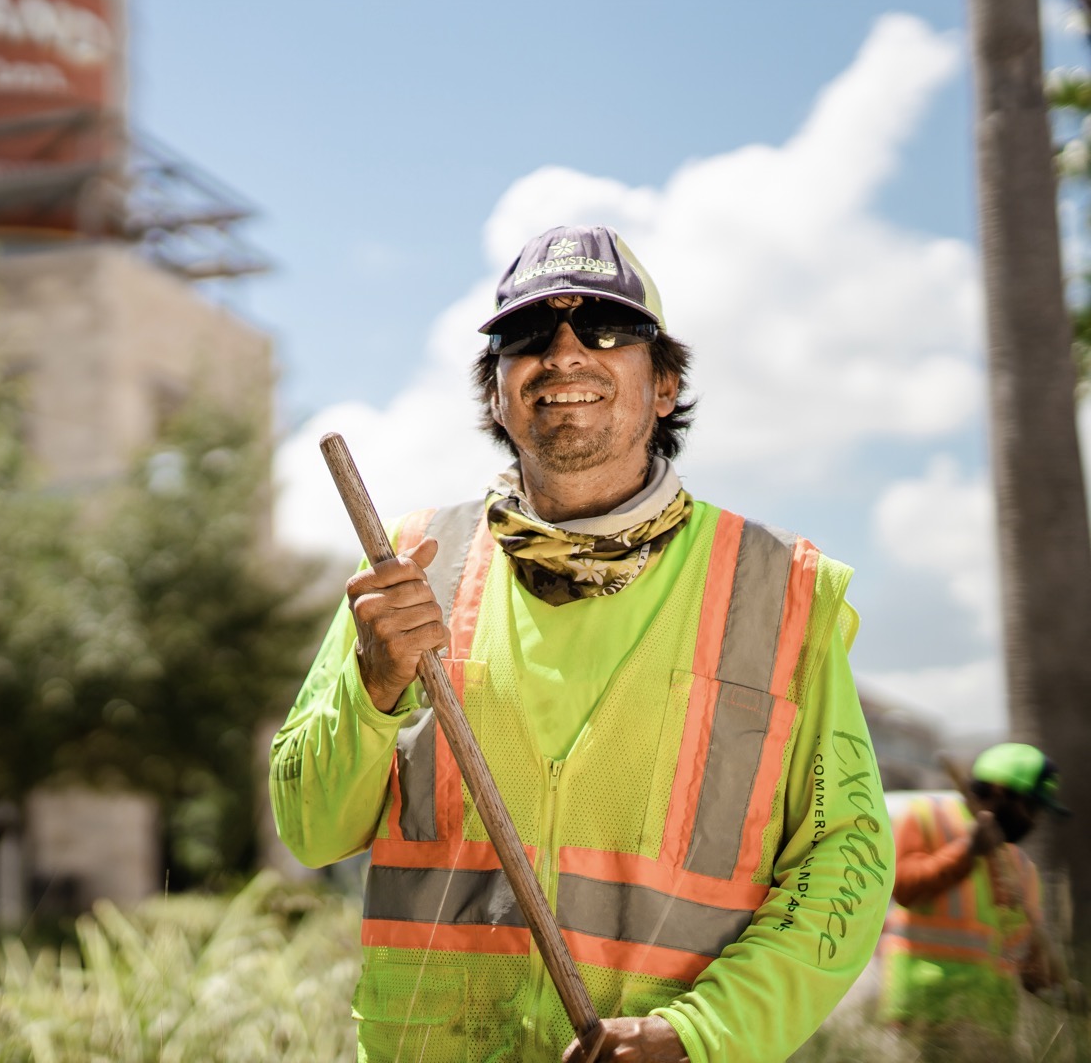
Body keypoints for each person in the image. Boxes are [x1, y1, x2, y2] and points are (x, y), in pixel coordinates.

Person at [271, 226, 894, 1063]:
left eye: (606, 329)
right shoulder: (407, 568)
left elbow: (843, 859)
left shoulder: (781, 589)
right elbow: (309, 828)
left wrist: (703, 1037)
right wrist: (371, 684)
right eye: (527, 337)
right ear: (497, 392)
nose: (564, 353)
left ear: (666, 383)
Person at [880, 742, 1068, 1041]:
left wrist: (1057, 989)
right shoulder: (928, 815)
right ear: (998, 791)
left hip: (990, 1025)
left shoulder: (1021, 867)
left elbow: (1024, 956)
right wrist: (968, 851)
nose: (1035, 820)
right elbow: (903, 888)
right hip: (927, 1015)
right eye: (1031, 806)